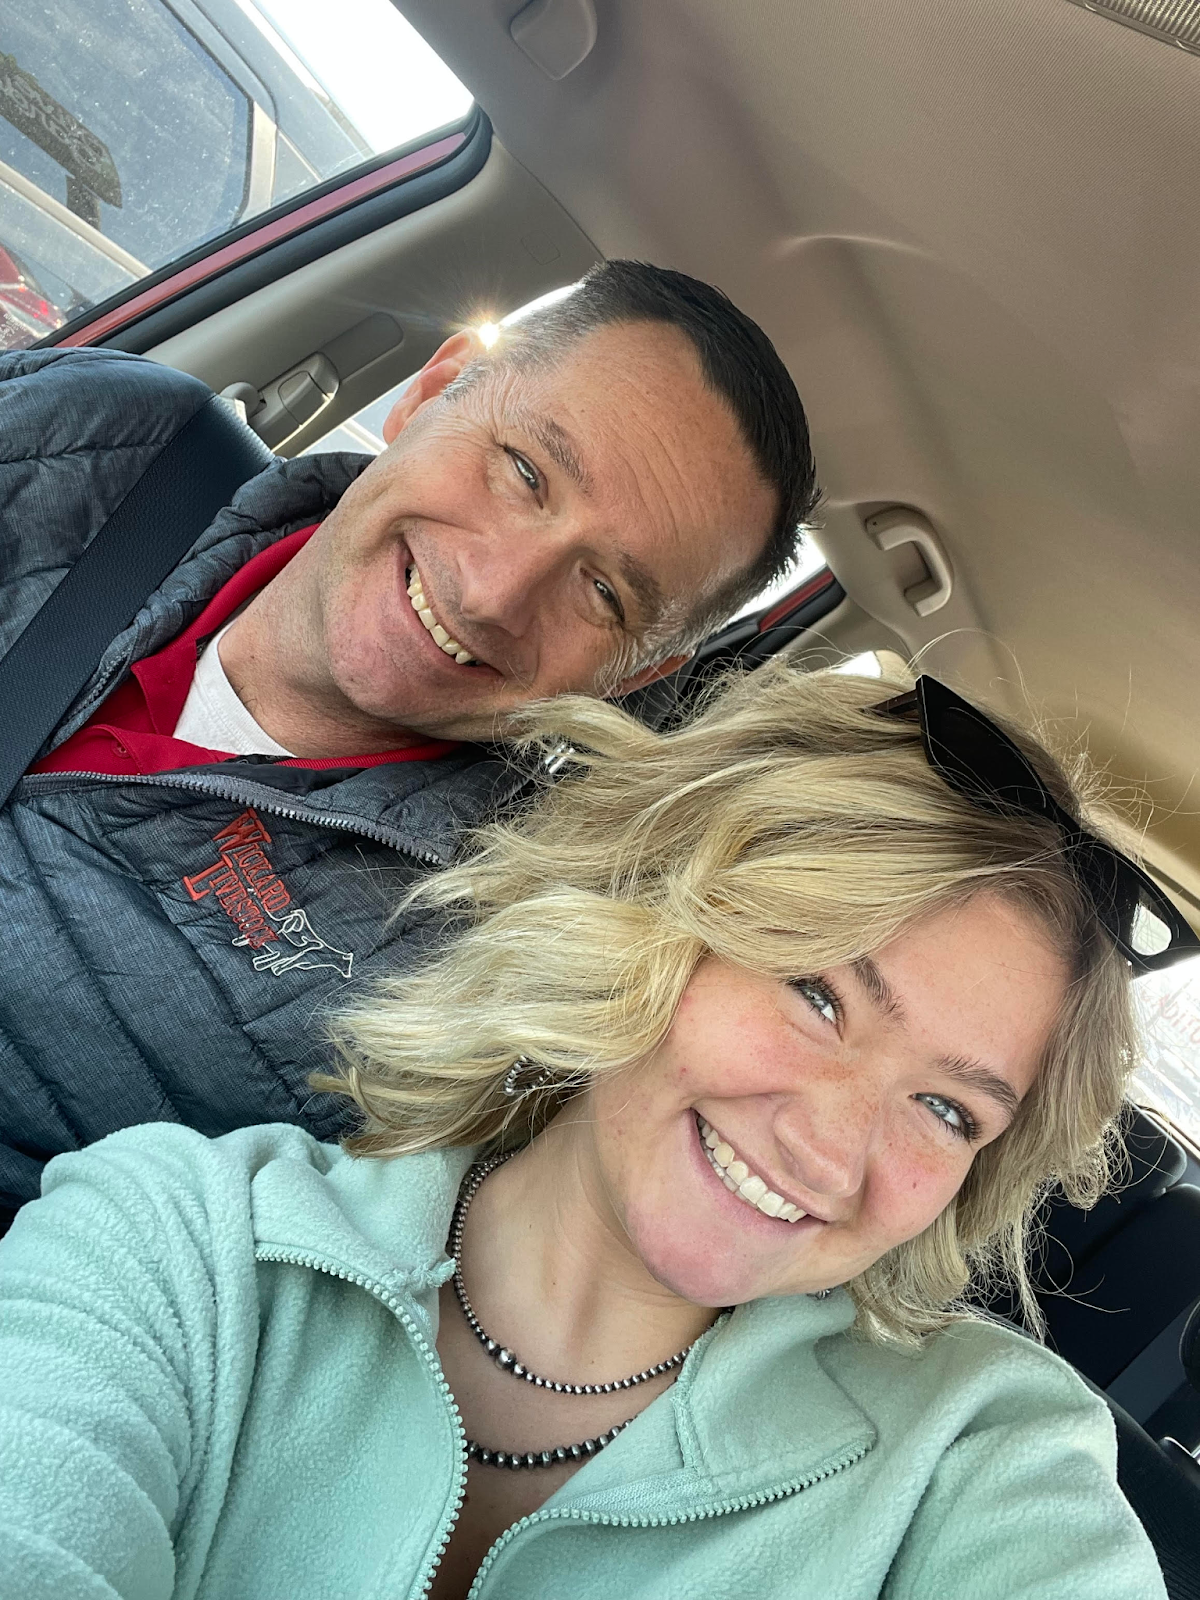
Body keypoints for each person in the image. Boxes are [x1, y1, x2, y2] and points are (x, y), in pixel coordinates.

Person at [0, 664, 1178, 1598]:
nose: (831, 1148)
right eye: (817, 993)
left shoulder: (979, 1453)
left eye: (948, 1109)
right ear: (649, 916)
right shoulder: (180, 1240)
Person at [0, 259, 818, 1217]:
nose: (493, 592)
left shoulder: (459, 981)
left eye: (603, 592)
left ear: (634, 676)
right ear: (434, 390)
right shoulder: (105, 436)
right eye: (524, 472)